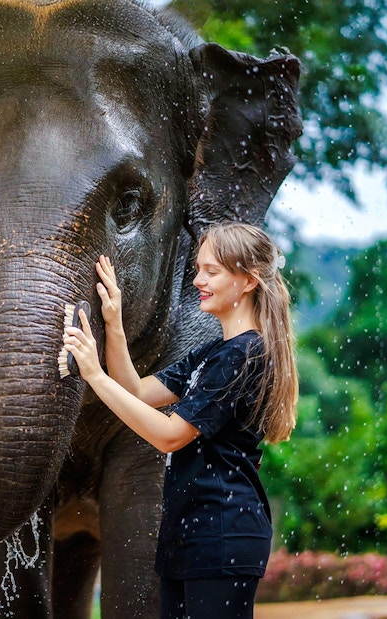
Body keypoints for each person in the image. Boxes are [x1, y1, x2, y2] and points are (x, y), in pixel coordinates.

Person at [64, 222, 298, 619]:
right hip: (188, 533)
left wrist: (94, 375)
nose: (198, 280)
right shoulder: (215, 352)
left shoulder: (243, 355)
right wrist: (114, 322)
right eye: (198, 269)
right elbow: (138, 391)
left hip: (222, 532)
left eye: (212, 271)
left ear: (248, 280)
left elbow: (171, 436)